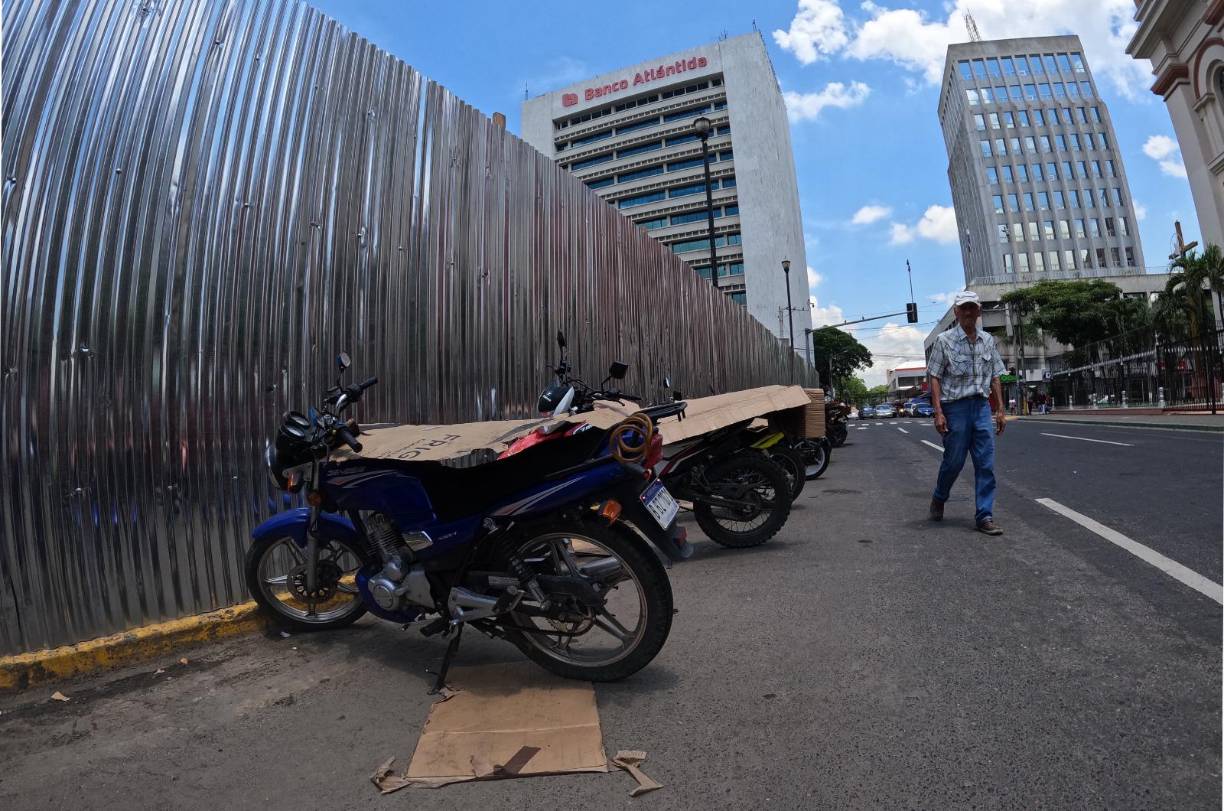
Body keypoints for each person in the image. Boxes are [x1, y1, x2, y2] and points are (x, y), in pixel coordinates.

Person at [925, 291, 1007, 535]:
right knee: (954, 462)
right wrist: (938, 412)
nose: (968, 312)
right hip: (955, 408)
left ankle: (984, 516)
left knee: (985, 464)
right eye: (964, 308)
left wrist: (1000, 409)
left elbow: (995, 376)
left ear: (979, 311)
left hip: (981, 407)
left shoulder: (987, 340)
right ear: (956, 312)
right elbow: (935, 377)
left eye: (972, 307)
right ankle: (940, 496)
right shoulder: (944, 340)